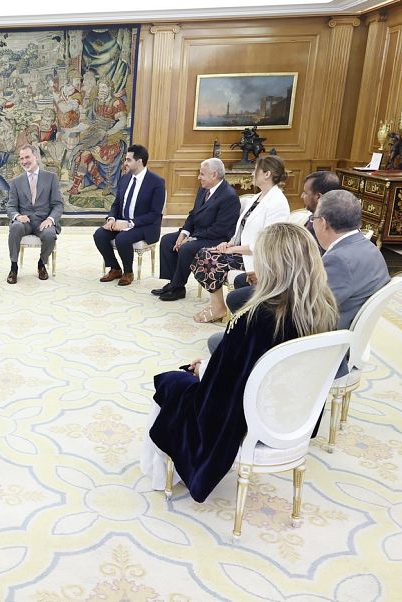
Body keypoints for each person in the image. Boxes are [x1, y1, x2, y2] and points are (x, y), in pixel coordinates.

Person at [140, 223, 339, 501]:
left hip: (245, 418)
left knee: (171, 381)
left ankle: (165, 475)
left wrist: (204, 370)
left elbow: (220, 391)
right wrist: (213, 363)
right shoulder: (324, 311)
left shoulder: (257, 317)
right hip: (292, 416)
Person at [218, 170, 342, 316]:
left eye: (305, 192)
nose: (301, 196)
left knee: (234, 299)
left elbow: (305, 269)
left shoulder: (324, 227)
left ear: (318, 197)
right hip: (284, 276)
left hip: (293, 290)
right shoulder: (313, 219)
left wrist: (269, 277)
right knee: (240, 280)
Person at [190, 154, 289, 323]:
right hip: (242, 251)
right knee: (204, 253)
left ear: (267, 174)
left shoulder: (277, 202)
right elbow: (243, 227)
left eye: (255, 171)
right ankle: (218, 305)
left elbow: (266, 243)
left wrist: (232, 249)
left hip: (259, 258)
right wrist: (229, 243)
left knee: (208, 258)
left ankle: (218, 307)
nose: (252, 174)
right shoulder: (258, 196)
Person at [151, 158, 239, 300]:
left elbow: (220, 229)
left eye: (202, 174)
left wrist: (192, 238)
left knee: (187, 248)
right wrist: (184, 233)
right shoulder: (203, 189)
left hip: (216, 238)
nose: (199, 177)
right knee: (168, 240)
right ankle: (173, 282)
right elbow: (193, 214)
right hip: (198, 233)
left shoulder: (229, 196)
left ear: (214, 175)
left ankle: (178, 287)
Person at [94, 144, 165, 286]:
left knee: (122, 238)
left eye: (128, 160)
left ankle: (128, 272)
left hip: (144, 225)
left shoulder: (156, 182)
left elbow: (155, 214)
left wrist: (129, 223)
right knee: (99, 234)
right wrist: (112, 218)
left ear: (139, 161)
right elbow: (116, 204)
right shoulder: (125, 179)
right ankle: (115, 268)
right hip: (122, 222)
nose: (125, 162)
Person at [6, 144, 64, 284]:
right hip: (24, 222)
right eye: (21, 158)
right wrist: (18, 216)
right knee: (15, 227)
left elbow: (58, 204)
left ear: (36, 157)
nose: (24, 161)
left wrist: (50, 219)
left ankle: (41, 264)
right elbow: (11, 206)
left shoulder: (51, 178)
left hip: (43, 221)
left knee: (50, 234)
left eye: (27, 157)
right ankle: (14, 267)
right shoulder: (16, 182)